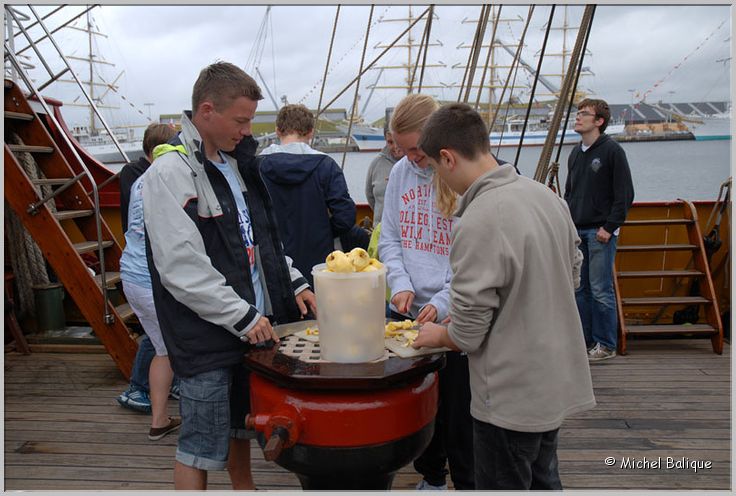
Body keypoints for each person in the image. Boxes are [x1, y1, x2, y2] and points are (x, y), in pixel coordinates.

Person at [142, 62, 317, 490]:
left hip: (250, 326)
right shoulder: (170, 174)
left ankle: (245, 489)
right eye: (240, 120)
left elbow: (259, 241)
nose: (247, 130)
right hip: (207, 334)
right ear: (206, 110)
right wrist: (242, 316)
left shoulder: (238, 168)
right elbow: (180, 266)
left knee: (241, 423)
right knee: (198, 444)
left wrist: (293, 282)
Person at [414, 102, 596, 490]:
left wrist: (439, 336)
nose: (437, 181)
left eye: (433, 170)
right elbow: (573, 274)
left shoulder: (479, 219)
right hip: (550, 382)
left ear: (447, 158)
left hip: (509, 397)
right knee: (545, 481)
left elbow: (467, 333)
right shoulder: (546, 198)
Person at [379, 94, 474, 491]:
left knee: (460, 411)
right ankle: (432, 478)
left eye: (417, 149)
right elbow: (389, 240)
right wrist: (400, 285)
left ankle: (467, 482)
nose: (412, 158)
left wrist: (439, 303)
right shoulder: (400, 173)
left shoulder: (458, 178)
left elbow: (471, 261)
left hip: (453, 315)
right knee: (421, 406)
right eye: (403, 150)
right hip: (408, 314)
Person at [120, 140, 182, 441]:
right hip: (150, 279)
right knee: (174, 347)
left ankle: (160, 419)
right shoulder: (167, 181)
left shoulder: (141, 181)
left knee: (162, 348)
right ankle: (166, 415)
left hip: (131, 274)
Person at [564, 98, 634, 362]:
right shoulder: (575, 153)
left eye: (584, 114)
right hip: (577, 231)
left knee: (600, 288)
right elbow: (570, 193)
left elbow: (625, 194)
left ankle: (606, 344)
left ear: (599, 121)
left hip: (600, 233)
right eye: (578, 113)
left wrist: (609, 227)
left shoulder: (612, 151)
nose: (578, 117)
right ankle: (585, 342)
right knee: (579, 290)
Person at [259, 104, 356, 286]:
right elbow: (345, 217)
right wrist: (324, 231)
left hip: (273, 262)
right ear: (311, 132)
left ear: (278, 131)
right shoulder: (326, 166)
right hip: (318, 263)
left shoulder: (258, 166)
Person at [364, 125, 404, 226]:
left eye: (398, 141)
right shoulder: (376, 163)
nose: (395, 147)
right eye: (390, 142)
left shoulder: (417, 164)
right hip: (381, 231)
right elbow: (370, 195)